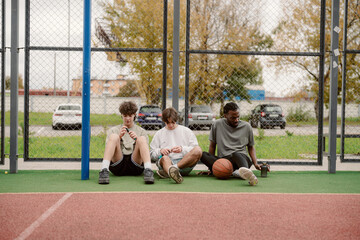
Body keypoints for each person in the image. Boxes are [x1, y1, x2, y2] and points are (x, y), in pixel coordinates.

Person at [200, 102, 260, 186]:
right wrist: (212, 168)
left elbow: (251, 147)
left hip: (242, 159)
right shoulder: (217, 124)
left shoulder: (246, 126)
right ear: (225, 116)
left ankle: (247, 173)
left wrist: (255, 163)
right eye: (233, 118)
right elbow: (212, 146)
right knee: (202, 154)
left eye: (238, 117)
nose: (236, 120)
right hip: (224, 161)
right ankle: (237, 173)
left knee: (236, 154)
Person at [98, 101, 154, 184]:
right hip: (118, 164)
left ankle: (148, 170)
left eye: (130, 116)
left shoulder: (141, 131)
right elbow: (108, 149)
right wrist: (119, 137)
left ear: (134, 115)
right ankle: (104, 170)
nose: (128, 118)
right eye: (125, 116)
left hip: (136, 165)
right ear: (121, 115)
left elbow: (145, 151)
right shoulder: (113, 130)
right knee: (114, 136)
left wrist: (136, 140)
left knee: (141, 139)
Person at [150, 107, 202, 184]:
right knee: (164, 158)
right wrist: (160, 151)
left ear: (176, 120)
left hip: (184, 163)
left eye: (173, 122)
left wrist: (182, 149)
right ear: (164, 121)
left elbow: (195, 149)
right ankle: (172, 172)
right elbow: (151, 154)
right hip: (167, 163)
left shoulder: (186, 131)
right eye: (168, 123)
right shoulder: (159, 133)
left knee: (198, 150)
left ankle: (172, 170)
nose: (170, 125)